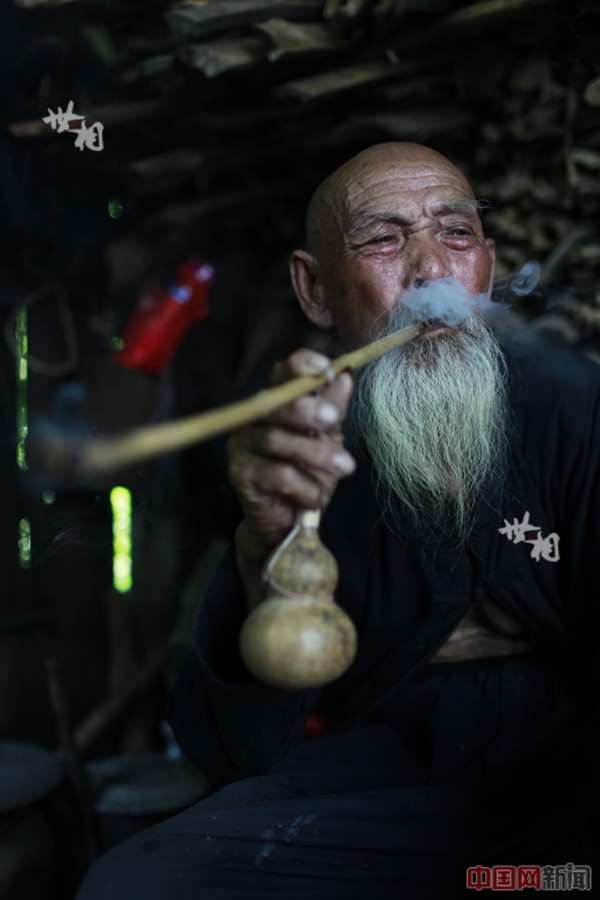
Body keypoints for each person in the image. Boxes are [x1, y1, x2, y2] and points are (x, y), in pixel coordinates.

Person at [76, 143, 600, 899]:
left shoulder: (576, 407)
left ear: (485, 265)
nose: (428, 272)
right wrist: (266, 543)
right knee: (135, 884)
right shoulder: (301, 443)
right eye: (383, 240)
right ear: (315, 289)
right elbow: (235, 750)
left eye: (454, 234)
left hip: (566, 772)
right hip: (380, 777)